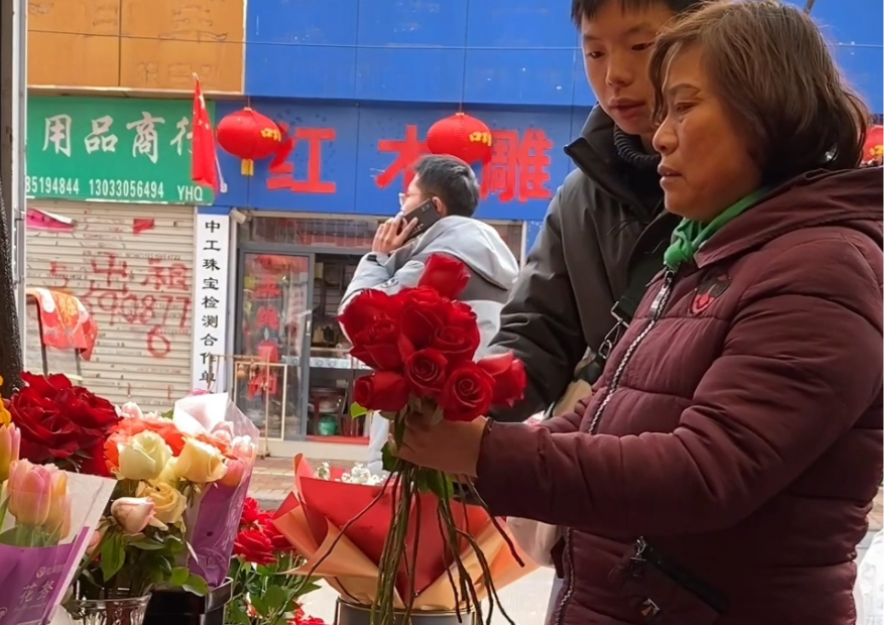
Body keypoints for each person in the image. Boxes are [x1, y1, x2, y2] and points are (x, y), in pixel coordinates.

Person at [398, 2, 884, 623]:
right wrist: (475, 442)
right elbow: (600, 417)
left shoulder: (820, 268)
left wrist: (486, 453)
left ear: (766, 110)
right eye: (595, 51)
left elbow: (703, 472)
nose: (660, 135)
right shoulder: (704, 252)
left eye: (682, 106)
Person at [487, 0, 710, 424]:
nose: (615, 75)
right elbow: (536, 334)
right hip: (595, 469)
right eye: (595, 53)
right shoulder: (580, 197)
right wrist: (464, 397)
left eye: (641, 45)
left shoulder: (749, 191)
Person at [338, 155, 519, 472]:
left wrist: (377, 258)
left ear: (433, 206)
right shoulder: (498, 261)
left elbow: (355, 317)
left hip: (418, 437)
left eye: (407, 197)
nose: (400, 208)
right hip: (470, 437)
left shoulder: (437, 260)